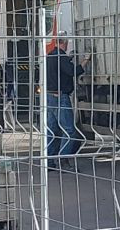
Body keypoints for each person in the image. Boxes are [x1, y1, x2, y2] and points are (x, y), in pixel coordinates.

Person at [46, 33, 90, 170]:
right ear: (64, 43)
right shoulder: (61, 57)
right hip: (60, 98)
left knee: (52, 130)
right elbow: (72, 71)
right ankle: (64, 160)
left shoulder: (50, 56)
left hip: (49, 97)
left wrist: (68, 59)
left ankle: (49, 161)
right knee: (69, 130)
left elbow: (59, 69)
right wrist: (85, 61)